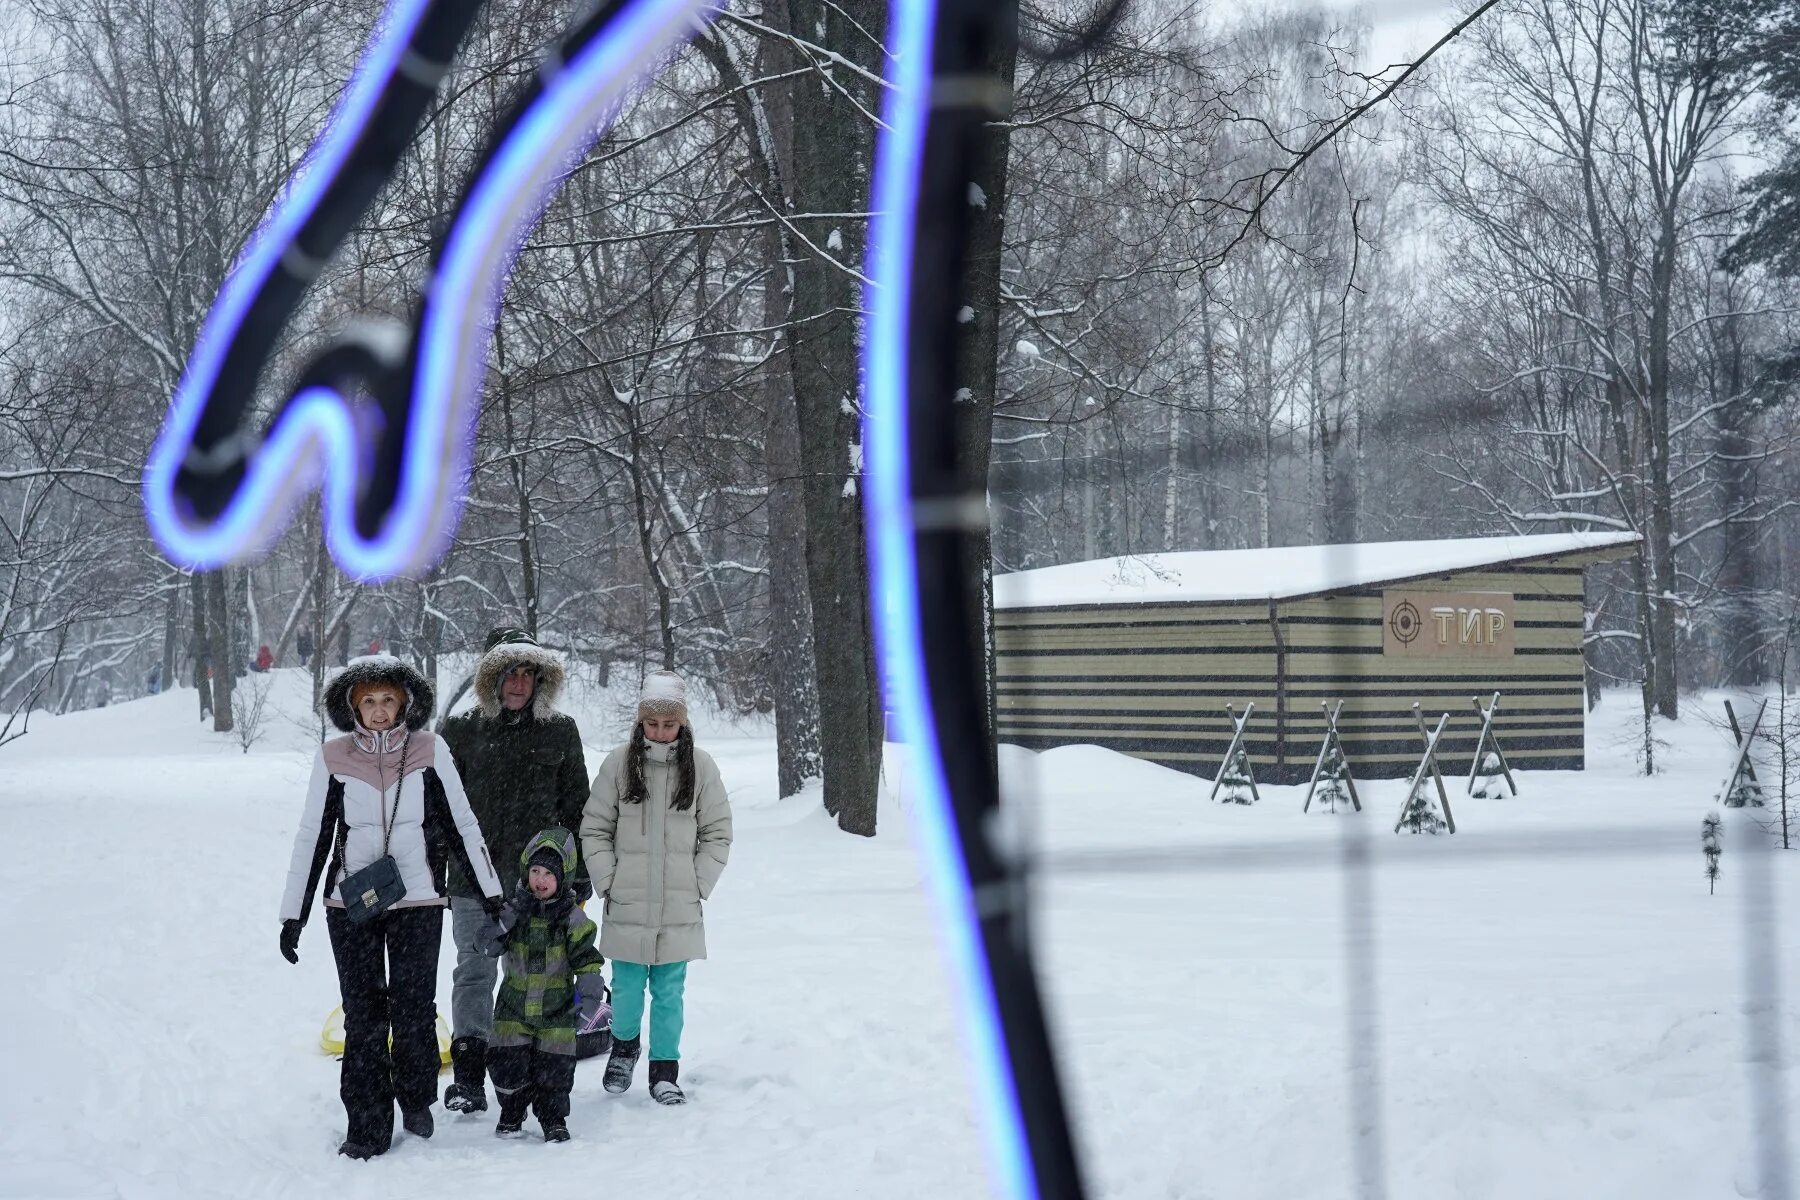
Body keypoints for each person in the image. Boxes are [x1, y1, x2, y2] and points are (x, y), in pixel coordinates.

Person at [278, 655, 506, 1159]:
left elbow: (461, 824)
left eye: (387, 700)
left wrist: (492, 896)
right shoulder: (333, 756)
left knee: (412, 1011)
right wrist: (294, 914)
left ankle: (416, 1096)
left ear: (404, 702)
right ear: (353, 706)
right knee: (363, 1017)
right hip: (350, 904)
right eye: (368, 702)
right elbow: (313, 836)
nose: (379, 711)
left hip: (418, 901)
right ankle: (366, 1125)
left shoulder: (430, 749)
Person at [439, 627, 591, 1114]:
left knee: (531, 975)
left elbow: (578, 808)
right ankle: (467, 1078)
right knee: (474, 973)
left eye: (529, 673)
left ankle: (522, 1075)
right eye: (511, 672)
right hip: (472, 878)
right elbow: (436, 809)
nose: (520, 683)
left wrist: (578, 872)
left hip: (540, 881)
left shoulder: (560, 731)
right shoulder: (460, 731)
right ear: (492, 677)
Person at [581, 669, 732, 1105]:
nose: (660, 732)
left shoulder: (700, 767)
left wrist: (699, 881)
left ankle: (665, 1070)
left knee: (669, 992)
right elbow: (595, 827)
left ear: (681, 722)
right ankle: (624, 1047)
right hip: (627, 899)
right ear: (640, 721)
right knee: (626, 988)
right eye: (652, 723)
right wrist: (608, 879)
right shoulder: (618, 763)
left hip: (678, 905)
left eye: (669, 724)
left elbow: (718, 831)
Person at [479, 827, 604, 1142]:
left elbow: (587, 959)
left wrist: (589, 993)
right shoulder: (513, 911)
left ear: (562, 878)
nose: (540, 879)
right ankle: (512, 1110)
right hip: (513, 1006)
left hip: (556, 1009)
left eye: (549, 873)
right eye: (535, 871)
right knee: (506, 1062)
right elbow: (486, 946)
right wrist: (499, 924)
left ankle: (553, 1118)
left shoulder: (573, 920)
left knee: (555, 1069)